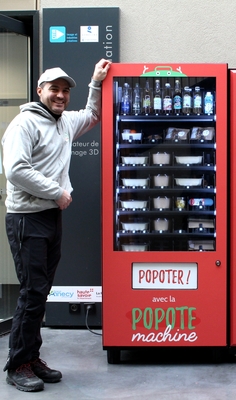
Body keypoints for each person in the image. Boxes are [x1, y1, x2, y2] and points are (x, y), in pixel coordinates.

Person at [1, 59, 111, 392]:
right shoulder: (24, 125)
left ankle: (31, 358)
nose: (61, 95)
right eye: (54, 89)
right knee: (32, 294)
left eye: (65, 91)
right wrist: (57, 192)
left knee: (40, 291)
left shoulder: (63, 122)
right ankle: (17, 365)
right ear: (40, 91)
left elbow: (93, 114)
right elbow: (16, 170)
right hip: (26, 219)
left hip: (49, 217)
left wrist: (95, 81)